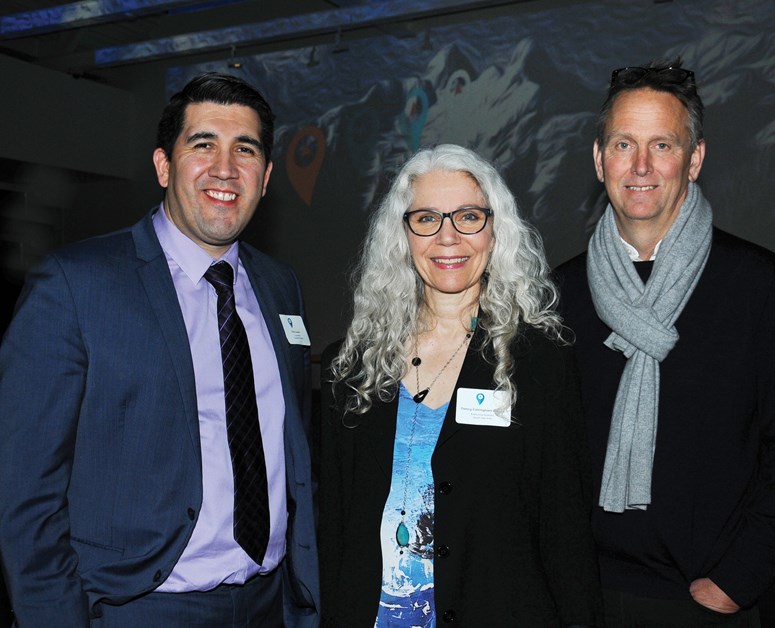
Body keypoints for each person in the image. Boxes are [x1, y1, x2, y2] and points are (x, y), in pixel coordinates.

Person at [0, 72, 319, 627]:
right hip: (138, 609)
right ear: (163, 166)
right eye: (203, 145)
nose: (225, 168)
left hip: (268, 606)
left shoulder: (279, 285)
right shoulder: (76, 285)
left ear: (266, 177)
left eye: (245, 150)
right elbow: (26, 493)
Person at [553, 60, 775, 626]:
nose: (641, 166)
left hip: (703, 604)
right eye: (624, 144)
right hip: (580, 599)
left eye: (663, 144)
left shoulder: (759, 285)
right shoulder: (557, 294)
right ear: (599, 157)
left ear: (695, 159)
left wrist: (735, 582)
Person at [319, 144, 602, 626]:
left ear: (495, 232)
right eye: (427, 218)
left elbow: (565, 529)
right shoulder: (352, 368)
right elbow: (336, 530)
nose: (448, 237)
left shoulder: (540, 364)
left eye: (468, 216)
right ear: (402, 236)